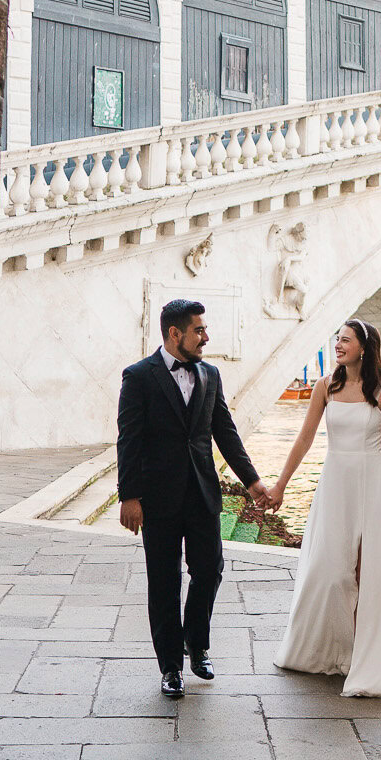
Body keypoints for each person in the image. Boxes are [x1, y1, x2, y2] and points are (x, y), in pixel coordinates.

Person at [271, 317, 381, 699]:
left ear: (364, 349)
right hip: (336, 483)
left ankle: (365, 657)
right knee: (332, 571)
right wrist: (281, 484)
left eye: (345, 340)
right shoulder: (325, 386)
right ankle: (337, 649)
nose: (338, 345)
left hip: (375, 485)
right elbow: (305, 438)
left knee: (370, 572)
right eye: (336, 339)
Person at [117, 298, 274, 699]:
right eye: (199, 330)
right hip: (158, 498)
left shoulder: (211, 375)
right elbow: (128, 441)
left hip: (204, 494)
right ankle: (170, 667)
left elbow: (225, 431)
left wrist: (253, 482)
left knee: (210, 569)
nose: (206, 337)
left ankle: (196, 644)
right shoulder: (138, 377)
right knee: (164, 582)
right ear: (175, 333)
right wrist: (129, 497)